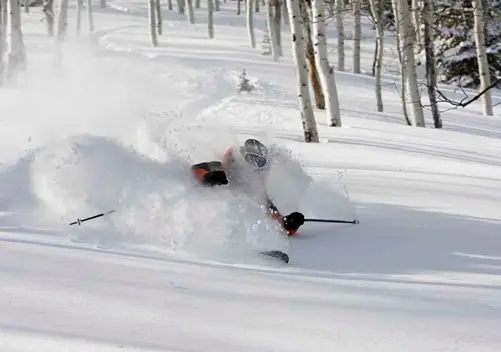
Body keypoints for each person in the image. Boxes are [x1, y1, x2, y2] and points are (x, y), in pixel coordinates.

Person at [191, 138, 305, 236]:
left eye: (259, 163)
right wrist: (207, 179)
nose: (253, 167)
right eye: (251, 160)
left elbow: (278, 223)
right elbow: (189, 178)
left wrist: (289, 224)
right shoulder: (214, 168)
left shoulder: (254, 189)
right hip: (199, 227)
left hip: (231, 233)